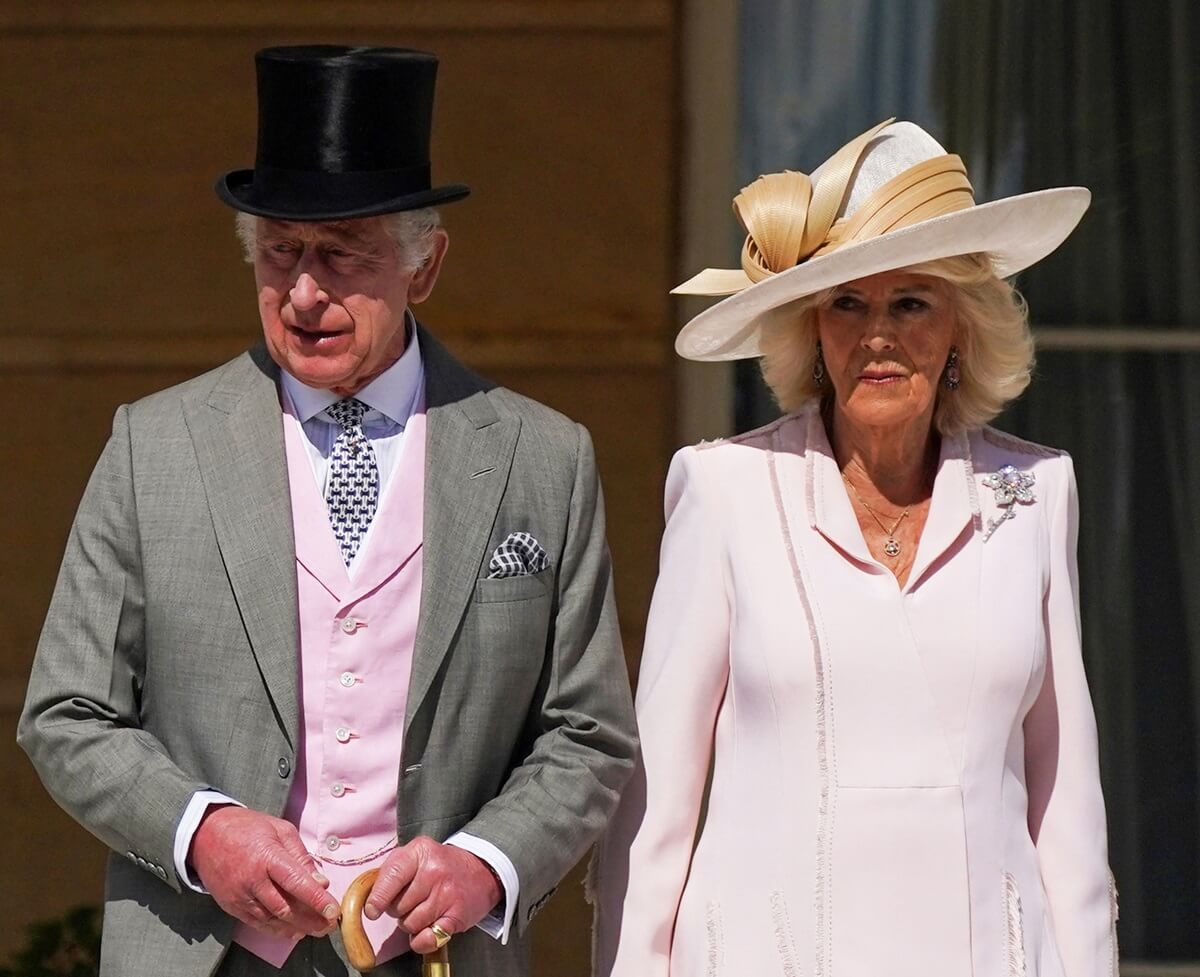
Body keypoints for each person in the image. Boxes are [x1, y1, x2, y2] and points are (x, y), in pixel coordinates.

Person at [19, 45, 636, 977]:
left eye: (342, 256)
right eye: (279, 252)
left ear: (424, 266)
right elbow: (66, 711)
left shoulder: (544, 459)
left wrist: (482, 864)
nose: (304, 292)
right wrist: (203, 832)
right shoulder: (155, 447)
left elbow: (587, 733)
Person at [591, 119, 1116, 977]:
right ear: (812, 328)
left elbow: (1067, 801)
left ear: (960, 327)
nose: (878, 334)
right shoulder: (726, 489)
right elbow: (656, 808)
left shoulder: (1036, 492)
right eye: (848, 302)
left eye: (911, 301)